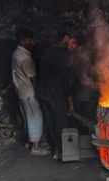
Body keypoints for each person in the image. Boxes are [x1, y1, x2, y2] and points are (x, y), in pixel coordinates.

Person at [37, 27, 80, 160]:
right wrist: (70, 101)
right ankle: (59, 151)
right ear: (66, 38)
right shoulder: (61, 55)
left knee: (50, 123)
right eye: (73, 42)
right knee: (60, 123)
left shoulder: (46, 51)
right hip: (56, 96)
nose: (74, 46)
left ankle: (55, 149)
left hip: (43, 94)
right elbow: (65, 79)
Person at [11, 27, 49, 156]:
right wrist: (40, 92)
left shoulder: (16, 53)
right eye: (29, 39)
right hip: (29, 92)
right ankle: (36, 147)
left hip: (20, 91)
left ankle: (28, 142)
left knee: (27, 117)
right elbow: (33, 79)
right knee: (35, 117)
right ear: (22, 40)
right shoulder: (25, 58)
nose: (31, 41)